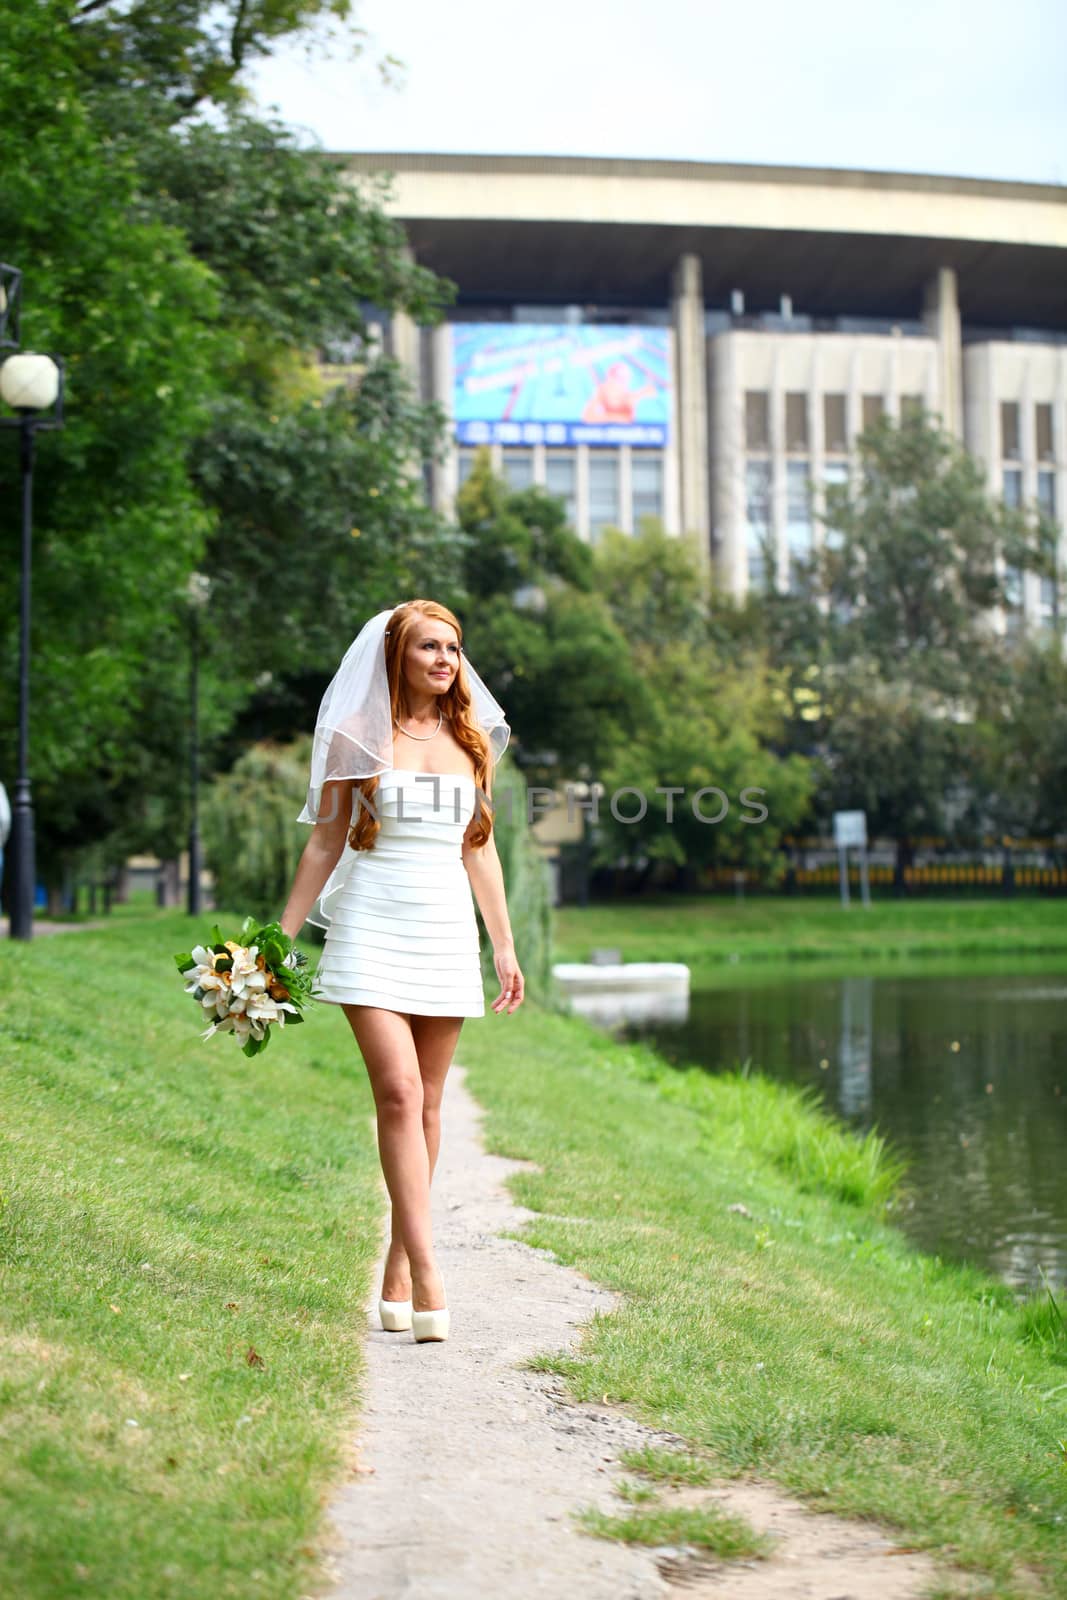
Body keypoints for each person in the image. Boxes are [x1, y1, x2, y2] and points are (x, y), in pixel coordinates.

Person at [279, 599, 525, 1345]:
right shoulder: (357, 736)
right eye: (428, 647)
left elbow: (477, 847)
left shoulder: (469, 737)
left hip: (445, 930)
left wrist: (505, 947)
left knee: (428, 1106)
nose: (444, 660)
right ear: (398, 655)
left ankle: (393, 1263)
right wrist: (273, 942)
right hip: (371, 926)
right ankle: (427, 1270)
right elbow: (325, 845)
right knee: (398, 1090)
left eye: (452, 647)